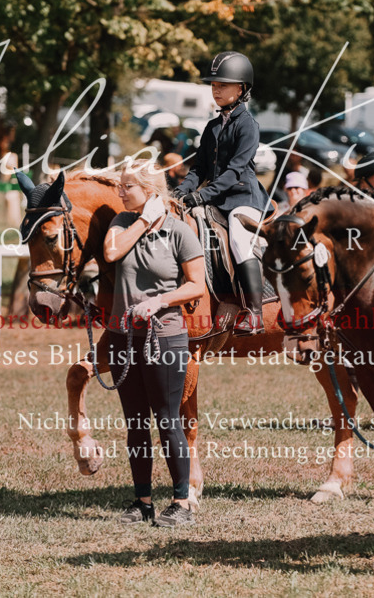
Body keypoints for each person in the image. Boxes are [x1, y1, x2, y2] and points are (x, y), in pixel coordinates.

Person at [103, 159, 206, 526]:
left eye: (127, 186)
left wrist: (159, 301)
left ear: (149, 190)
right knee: (135, 423)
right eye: (120, 185)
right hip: (122, 338)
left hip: (165, 338)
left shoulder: (180, 232)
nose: (119, 192)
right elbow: (112, 253)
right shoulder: (121, 224)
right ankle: (142, 501)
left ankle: (182, 502)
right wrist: (145, 220)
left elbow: (196, 285)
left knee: (167, 420)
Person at [174, 51, 270, 335]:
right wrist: (180, 193)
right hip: (215, 198)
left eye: (223, 85)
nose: (216, 90)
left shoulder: (248, 125)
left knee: (239, 239)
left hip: (244, 198)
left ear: (241, 89)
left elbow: (236, 170)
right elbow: (198, 168)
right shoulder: (212, 126)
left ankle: (255, 313)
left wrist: (202, 196)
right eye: (214, 85)